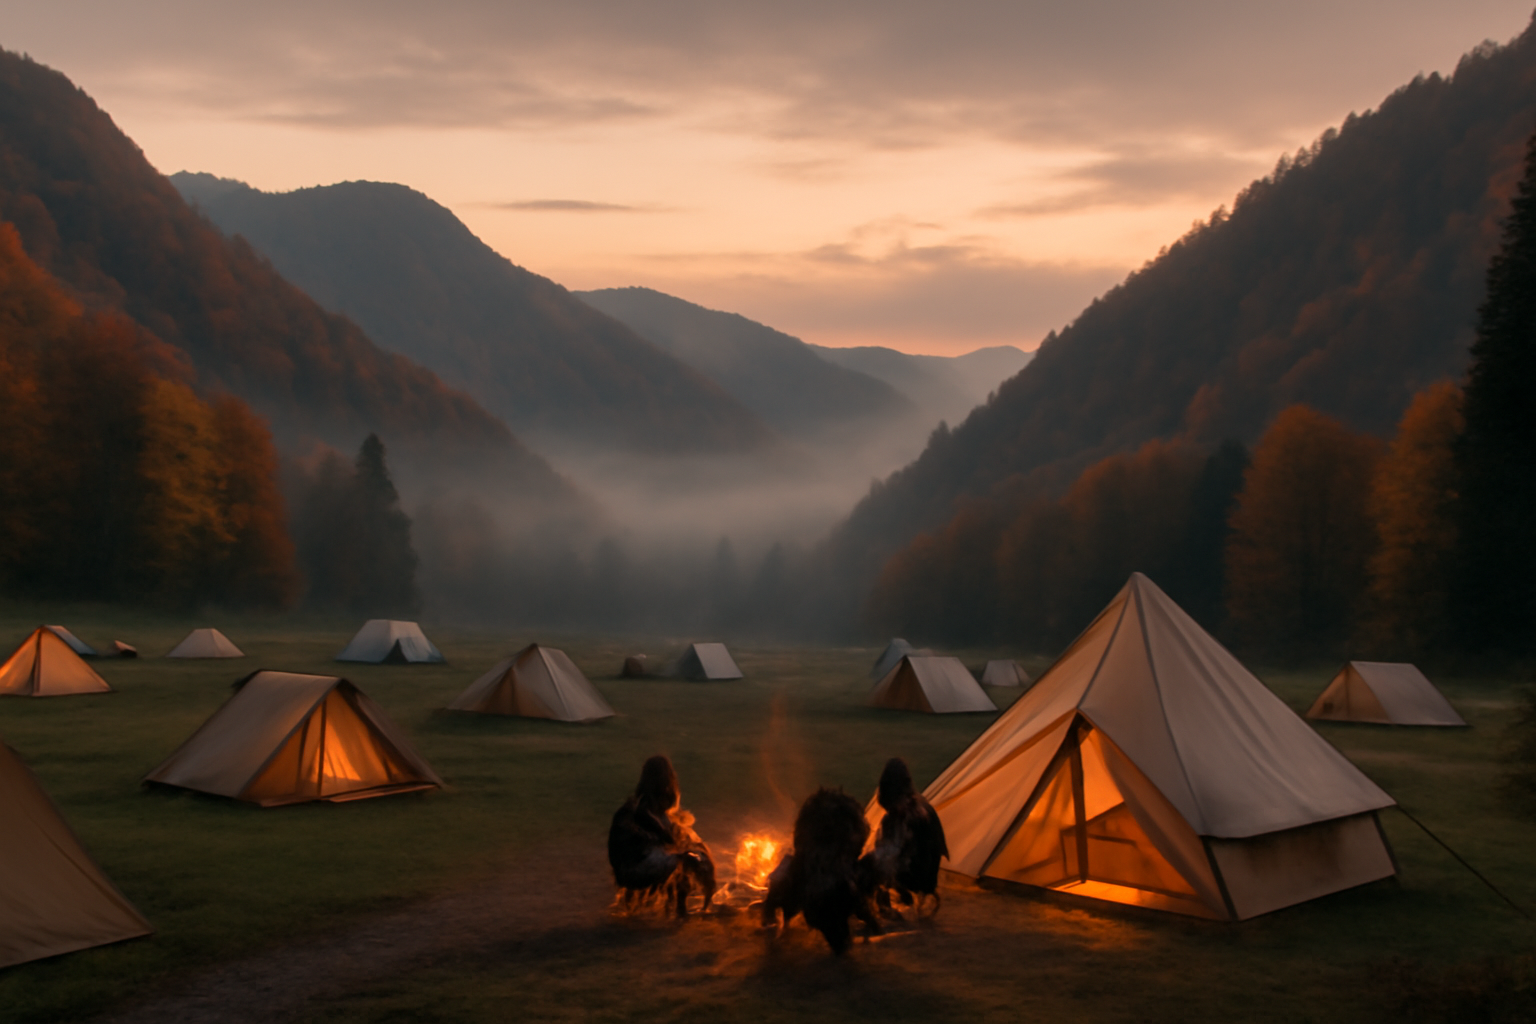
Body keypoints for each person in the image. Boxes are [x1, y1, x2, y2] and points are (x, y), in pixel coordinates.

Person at [607, 755, 716, 916]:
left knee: (686, 850)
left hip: (625, 871)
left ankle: (682, 907)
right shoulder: (642, 809)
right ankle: (694, 907)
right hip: (633, 871)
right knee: (689, 858)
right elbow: (665, 840)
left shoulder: (644, 807)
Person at [860, 757, 948, 915]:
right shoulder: (920, 807)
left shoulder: (910, 816)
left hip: (919, 876)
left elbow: (890, 856)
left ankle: (879, 903)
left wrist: (867, 864)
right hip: (925, 875)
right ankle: (900, 894)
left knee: (870, 868)